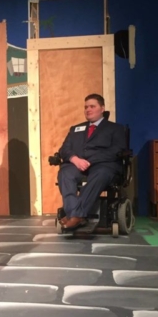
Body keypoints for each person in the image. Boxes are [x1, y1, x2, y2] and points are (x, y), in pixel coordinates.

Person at [57, 94, 127, 231]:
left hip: (103, 165)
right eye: (86, 107)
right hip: (77, 165)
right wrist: (75, 159)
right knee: (65, 173)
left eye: (92, 106)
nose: (88, 110)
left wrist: (90, 160)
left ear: (102, 108)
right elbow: (64, 149)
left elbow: (118, 149)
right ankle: (75, 214)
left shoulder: (115, 129)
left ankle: (75, 215)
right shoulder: (75, 129)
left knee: (100, 174)